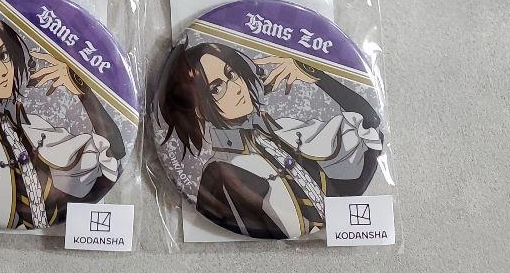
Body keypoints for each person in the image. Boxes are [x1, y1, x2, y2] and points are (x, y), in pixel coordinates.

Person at [0, 7, 126, 228]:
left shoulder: (31, 128)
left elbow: (115, 153)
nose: (3, 70)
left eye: (4, 55)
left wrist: (83, 91)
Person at [157, 40, 383, 238]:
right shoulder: (221, 174)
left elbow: (370, 123)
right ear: (198, 108)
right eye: (216, 88)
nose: (236, 88)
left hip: (345, 226)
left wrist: (316, 76)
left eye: (231, 74)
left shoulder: (285, 130)